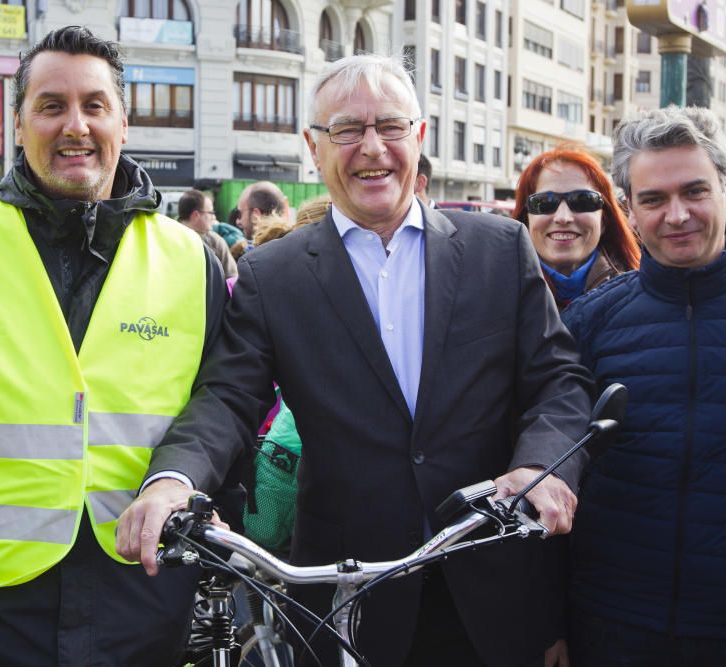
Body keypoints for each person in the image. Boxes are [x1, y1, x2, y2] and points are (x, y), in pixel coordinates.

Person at [119, 53, 594, 666]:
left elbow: (557, 379)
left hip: (494, 586)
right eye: (347, 130)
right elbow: (226, 399)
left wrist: (542, 467)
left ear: (419, 138)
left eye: (391, 127)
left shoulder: (499, 249)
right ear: (313, 149)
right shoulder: (274, 275)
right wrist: (171, 481)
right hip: (348, 602)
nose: (372, 148)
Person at [0, 26, 228, 666]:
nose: (75, 125)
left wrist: (185, 481)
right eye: (51, 106)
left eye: (94, 105)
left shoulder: (191, 259)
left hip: (139, 605)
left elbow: (218, 402)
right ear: (20, 124)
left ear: (123, 124)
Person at [562, 106, 726, 667]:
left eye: (694, 191)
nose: (678, 215)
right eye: (654, 199)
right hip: (611, 626)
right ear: (628, 209)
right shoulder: (589, 323)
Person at [512, 145, 640, 309]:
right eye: (544, 203)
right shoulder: (495, 292)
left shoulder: (641, 293)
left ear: (604, 220)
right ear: (526, 220)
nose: (563, 218)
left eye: (583, 200)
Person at [178, 188, 238, 277]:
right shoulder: (215, 242)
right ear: (196, 215)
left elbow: (231, 277)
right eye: (211, 212)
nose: (214, 217)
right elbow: (232, 279)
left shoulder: (216, 242)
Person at [236, 180, 287, 247]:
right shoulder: (296, 245)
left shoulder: (255, 255)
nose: (238, 221)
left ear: (256, 215)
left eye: (240, 214)